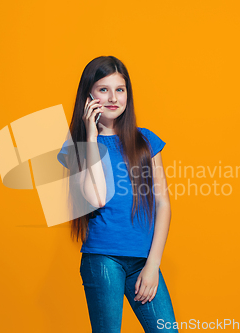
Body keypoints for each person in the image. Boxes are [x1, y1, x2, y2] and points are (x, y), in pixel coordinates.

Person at [57, 56, 178, 333]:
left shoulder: (145, 141)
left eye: (120, 89)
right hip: (103, 258)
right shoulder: (76, 148)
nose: (113, 97)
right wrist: (90, 136)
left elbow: (162, 203)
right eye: (103, 89)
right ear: (88, 94)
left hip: (143, 259)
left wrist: (153, 265)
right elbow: (96, 198)